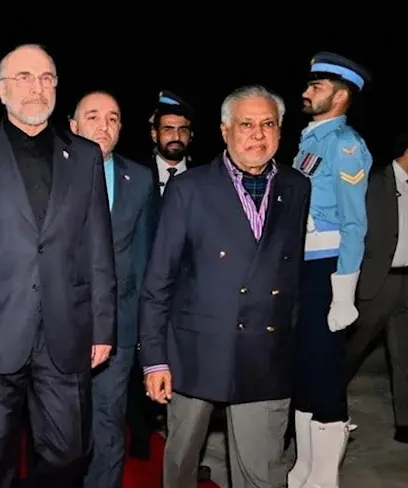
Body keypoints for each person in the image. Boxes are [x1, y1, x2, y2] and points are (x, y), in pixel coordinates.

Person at [0, 44, 117, 488]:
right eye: (24, 77)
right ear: (2, 90)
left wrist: (102, 327)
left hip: (66, 330)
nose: (37, 87)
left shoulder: (85, 157)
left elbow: (98, 248)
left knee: (69, 453)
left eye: (46, 78)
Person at [139, 85, 311, 488]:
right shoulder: (190, 188)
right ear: (225, 131)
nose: (257, 135)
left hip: (265, 352)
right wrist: (155, 360)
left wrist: (293, 348)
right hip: (196, 351)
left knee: (263, 473)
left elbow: (293, 277)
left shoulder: (297, 186)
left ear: (280, 130)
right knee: (181, 464)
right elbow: (159, 280)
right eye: (246, 125)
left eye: (268, 124)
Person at [288, 52, 373, 488]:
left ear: (340, 96)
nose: (306, 92)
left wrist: (344, 292)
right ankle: (303, 467)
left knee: (323, 373)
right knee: (304, 370)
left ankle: (324, 478)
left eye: (316, 87)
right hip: (302, 268)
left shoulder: (345, 145)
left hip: (327, 269)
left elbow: (354, 222)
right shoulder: (311, 140)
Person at [69, 90, 158, 488]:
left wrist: (140, 332)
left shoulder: (138, 179)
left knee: (107, 421)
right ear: (73, 126)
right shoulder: (49, 173)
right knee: (59, 427)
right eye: (93, 116)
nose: (103, 125)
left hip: (117, 327)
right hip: (58, 325)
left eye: (112, 118)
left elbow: (144, 258)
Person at [345, 132, 408, 449]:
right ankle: (318, 410)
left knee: (407, 357)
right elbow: (353, 232)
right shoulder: (372, 183)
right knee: (350, 352)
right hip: (378, 282)